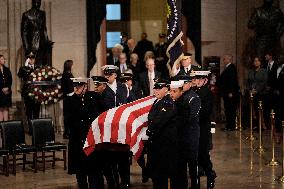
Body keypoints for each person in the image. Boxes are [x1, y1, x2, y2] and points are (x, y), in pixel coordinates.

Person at [65, 77, 103, 189]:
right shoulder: (69, 100)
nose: (76, 88)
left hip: (91, 140)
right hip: (77, 141)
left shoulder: (93, 97)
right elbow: (68, 120)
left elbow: (103, 111)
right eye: (75, 86)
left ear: (85, 87)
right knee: (80, 173)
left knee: (93, 172)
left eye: (79, 86)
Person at [146, 79, 178, 189]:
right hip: (156, 143)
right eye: (155, 88)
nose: (155, 90)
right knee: (156, 173)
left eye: (158, 88)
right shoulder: (157, 101)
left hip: (164, 144)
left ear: (166, 89)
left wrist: (149, 130)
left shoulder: (168, 102)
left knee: (162, 174)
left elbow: (160, 120)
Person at [171, 73, 201, 189]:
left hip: (191, 134)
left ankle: (195, 185)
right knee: (181, 162)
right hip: (181, 135)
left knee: (192, 162)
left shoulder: (194, 98)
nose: (182, 85)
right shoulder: (179, 97)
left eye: (184, 83)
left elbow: (191, 117)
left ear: (189, 84)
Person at [194, 71, 217, 189]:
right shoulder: (193, 91)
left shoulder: (208, 93)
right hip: (193, 128)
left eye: (200, 79)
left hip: (203, 128)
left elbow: (206, 111)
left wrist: (193, 115)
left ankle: (210, 174)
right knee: (195, 155)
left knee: (203, 154)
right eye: (196, 79)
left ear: (205, 80)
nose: (197, 81)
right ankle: (195, 181)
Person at [21, 0, 53, 66]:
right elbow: (24, 32)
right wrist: (27, 48)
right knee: (33, 65)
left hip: (43, 42)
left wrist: (47, 40)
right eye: (36, 2)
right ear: (33, 3)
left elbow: (44, 28)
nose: (38, 4)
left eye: (39, 2)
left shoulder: (42, 13)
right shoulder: (26, 14)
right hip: (32, 44)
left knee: (45, 65)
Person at [216, 54, 240, 131]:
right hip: (226, 93)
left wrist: (231, 92)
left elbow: (232, 81)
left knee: (230, 110)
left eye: (224, 59)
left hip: (230, 94)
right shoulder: (227, 68)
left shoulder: (231, 68)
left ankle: (231, 126)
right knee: (228, 109)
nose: (223, 61)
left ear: (229, 59)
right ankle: (229, 125)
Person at [18, 52, 41, 122]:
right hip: (27, 92)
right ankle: (31, 129)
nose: (31, 60)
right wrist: (26, 67)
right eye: (30, 59)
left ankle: (36, 129)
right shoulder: (23, 68)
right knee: (29, 111)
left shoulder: (38, 67)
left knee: (36, 111)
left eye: (33, 58)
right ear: (27, 59)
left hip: (37, 92)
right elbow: (20, 75)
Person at [247, 56, 268, 130]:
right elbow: (248, 82)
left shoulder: (264, 71)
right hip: (252, 93)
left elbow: (264, 82)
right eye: (255, 61)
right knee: (254, 110)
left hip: (261, 93)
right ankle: (255, 125)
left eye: (257, 61)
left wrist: (257, 90)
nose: (256, 62)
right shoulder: (251, 71)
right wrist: (250, 89)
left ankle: (262, 125)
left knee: (260, 110)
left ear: (260, 62)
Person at [61, 60, 74, 139]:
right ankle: (67, 133)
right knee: (68, 116)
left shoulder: (68, 74)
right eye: (72, 65)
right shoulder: (66, 75)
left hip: (69, 97)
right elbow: (68, 88)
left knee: (69, 116)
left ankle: (68, 132)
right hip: (68, 98)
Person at [0, 55, 12, 121]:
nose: (3, 60)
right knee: (1, 109)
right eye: (2, 59)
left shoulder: (7, 69)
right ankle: (1, 129)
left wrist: (7, 88)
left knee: (6, 108)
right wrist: (2, 89)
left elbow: (10, 80)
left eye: (4, 59)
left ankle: (6, 127)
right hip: (0, 92)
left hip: (7, 92)